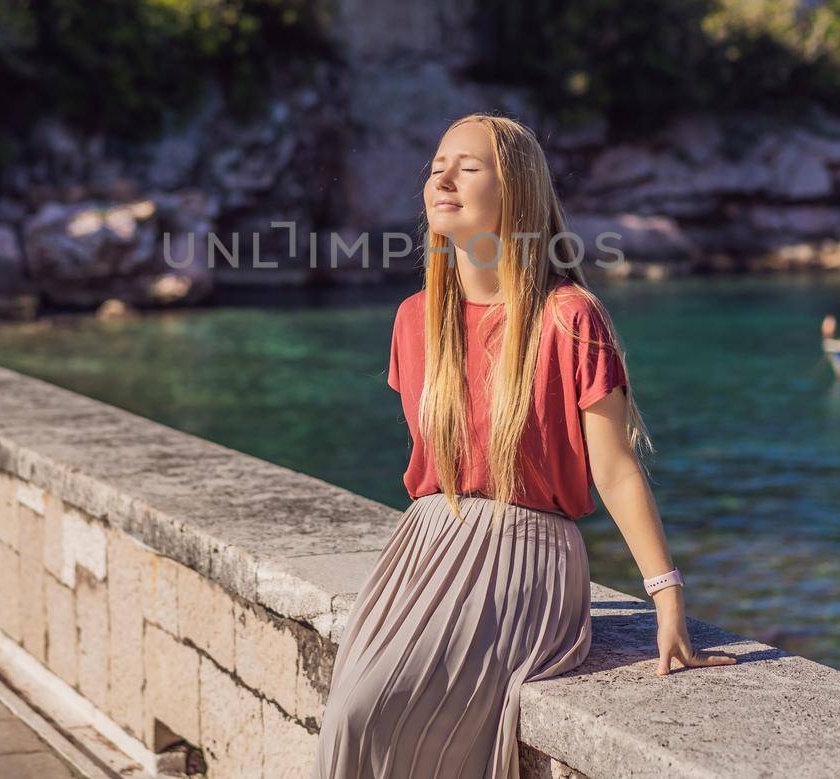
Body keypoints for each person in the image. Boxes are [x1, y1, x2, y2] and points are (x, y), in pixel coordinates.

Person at [314, 113, 735, 779]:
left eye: (467, 166)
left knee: (367, 711)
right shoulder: (412, 320)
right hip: (422, 550)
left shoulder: (570, 315)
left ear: (514, 193)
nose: (442, 178)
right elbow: (439, 467)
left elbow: (616, 468)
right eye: (435, 165)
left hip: (525, 557)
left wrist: (667, 595)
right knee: (346, 714)